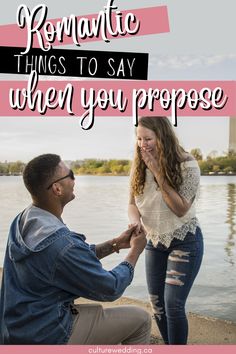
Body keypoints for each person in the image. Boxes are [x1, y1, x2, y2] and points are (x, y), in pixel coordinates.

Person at [0, 153, 151, 345]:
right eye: (70, 174)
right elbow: (110, 288)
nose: (74, 179)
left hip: (17, 328)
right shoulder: (61, 244)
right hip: (46, 336)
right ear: (57, 188)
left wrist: (115, 244)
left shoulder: (24, 220)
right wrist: (134, 252)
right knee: (141, 320)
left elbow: (65, 261)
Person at [128, 116, 204, 345]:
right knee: (157, 304)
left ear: (163, 136)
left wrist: (158, 172)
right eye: (139, 138)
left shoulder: (187, 164)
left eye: (148, 138)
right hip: (154, 242)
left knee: (173, 304)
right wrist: (135, 223)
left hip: (185, 241)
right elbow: (132, 203)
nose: (143, 144)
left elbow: (181, 209)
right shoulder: (138, 166)